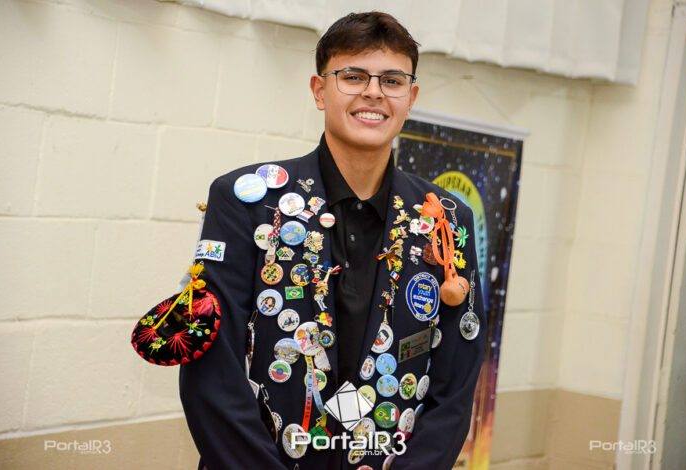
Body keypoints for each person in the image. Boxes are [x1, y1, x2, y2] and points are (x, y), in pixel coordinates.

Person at [179, 11, 486, 470]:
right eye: (353, 76)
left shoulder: (445, 219)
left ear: (411, 97)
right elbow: (211, 369)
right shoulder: (248, 201)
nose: (374, 92)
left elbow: (455, 386)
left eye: (392, 81)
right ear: (320, 90)